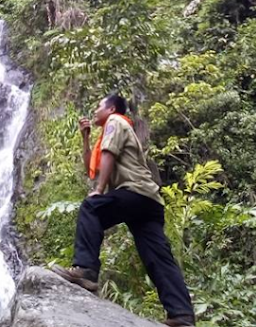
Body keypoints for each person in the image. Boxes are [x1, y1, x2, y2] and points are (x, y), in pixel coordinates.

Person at [51, 94, 196, 327]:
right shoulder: (111, 129)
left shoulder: (115, 122)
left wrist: (99, 190)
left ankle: (86, 270)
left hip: (134, 193)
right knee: (158, 258)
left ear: (111, 109)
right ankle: (182, 315)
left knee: (92, 207)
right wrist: (85, 138)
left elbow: (108, 156)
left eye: (99, 106)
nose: (95, 110)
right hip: (149, 201)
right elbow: (93, 167)